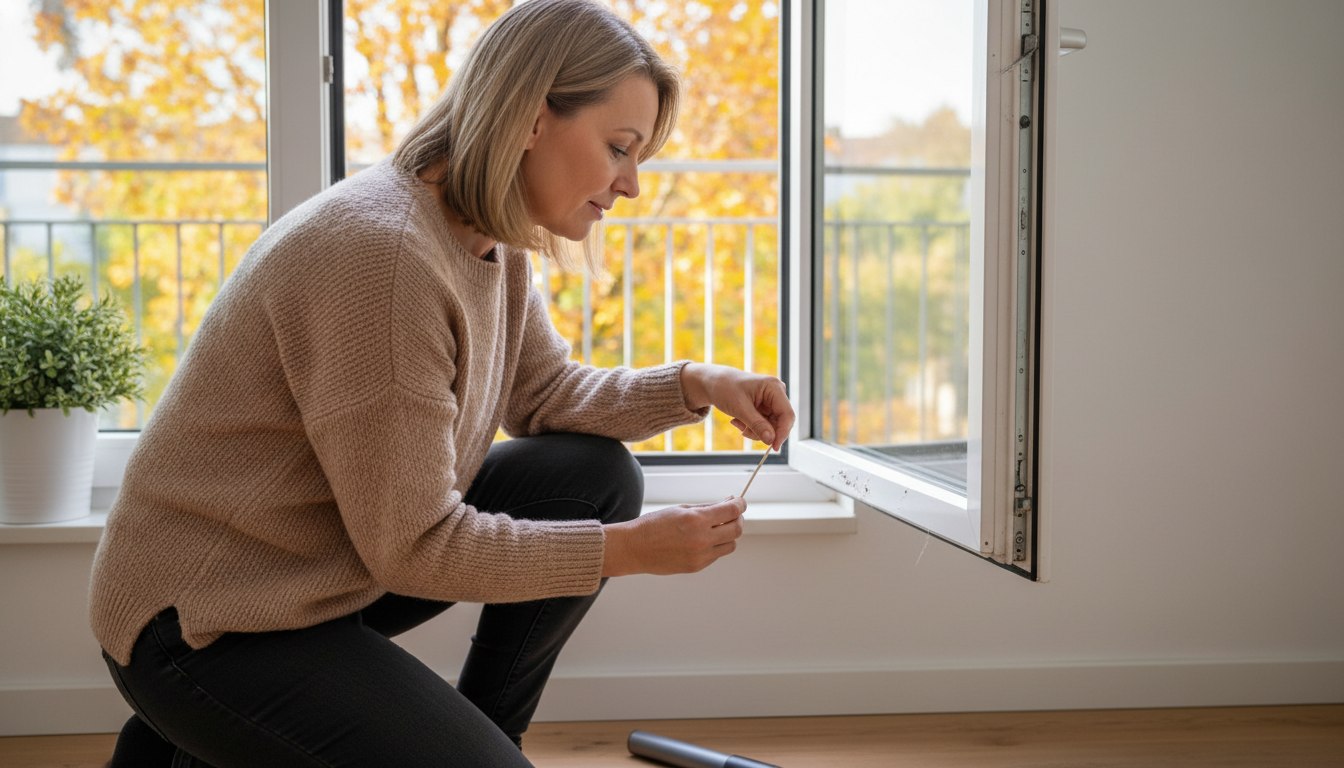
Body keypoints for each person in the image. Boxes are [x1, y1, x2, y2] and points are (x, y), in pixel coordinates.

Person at [89, 0, 794, 766]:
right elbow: (418, 546)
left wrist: (700, 383)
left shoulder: (486, 234)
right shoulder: (383, 259)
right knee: (596, 523)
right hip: (209, 618)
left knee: (592, 476)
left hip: (318, 572)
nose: (630, 185)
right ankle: (202, 724)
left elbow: (545, 395)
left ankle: (481, 738)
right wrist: (627, 551)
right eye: (619, 148)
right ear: (531, 117)